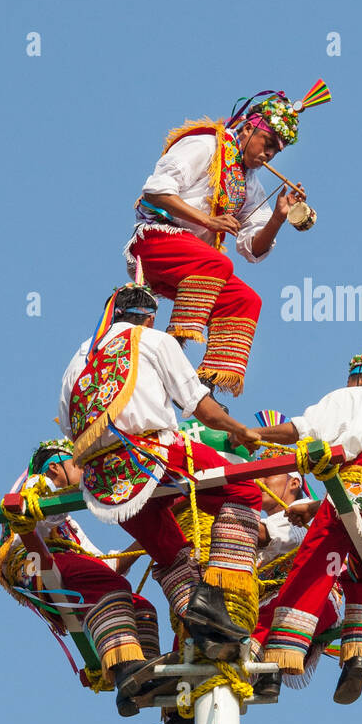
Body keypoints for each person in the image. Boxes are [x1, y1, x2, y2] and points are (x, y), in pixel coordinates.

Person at [58, 278, 263, 671]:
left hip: (104, 485)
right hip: (154, 456)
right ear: (149, 317)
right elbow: (201, 408)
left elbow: (71, 432)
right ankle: (221, 587)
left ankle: (201, 617)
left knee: (169, 549)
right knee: (245, 489)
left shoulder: (78, 361)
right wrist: (240, 431)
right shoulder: (154, 341)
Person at [246, 320, 362, 704]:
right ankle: (357, 658)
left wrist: (253, 434)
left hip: (357, 492)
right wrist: (313, 505)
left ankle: (283, 655)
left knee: (315, 562)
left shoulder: (357, 397)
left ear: (359, 378)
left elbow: (303, 429)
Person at [122, 81, 330, 395]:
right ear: (248, 128)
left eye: (277, 150)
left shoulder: (251, 186)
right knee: (217, 261)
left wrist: (277, 218)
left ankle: (202, 386)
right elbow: (157, 190)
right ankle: (173, 351)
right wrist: (207, 220)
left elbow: (252, 249)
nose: (269, 154)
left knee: (246, 299)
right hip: (155, 243)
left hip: (196, 266)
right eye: (268, 142)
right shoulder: (206, 144)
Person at [0, 439, 170, 715]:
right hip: (31, 566)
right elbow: (43, 514)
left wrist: (149, 536)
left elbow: (108, 565)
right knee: (109, 585)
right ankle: (126, 668)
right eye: (79, 464)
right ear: (54, 469)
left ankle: (144, 677)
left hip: (62, 568)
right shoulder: (37, 486)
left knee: (141, 605)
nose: (87, 471)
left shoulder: (68, 524)